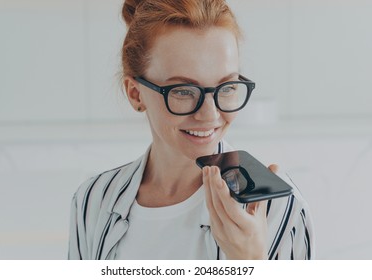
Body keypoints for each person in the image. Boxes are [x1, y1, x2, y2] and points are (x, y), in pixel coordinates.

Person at [68, 0, 314, 260]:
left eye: (227, 87)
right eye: (183, 91)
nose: (210, 114)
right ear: (135, 93)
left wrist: (250, 262)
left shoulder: (278, 209)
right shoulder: (93, 201)